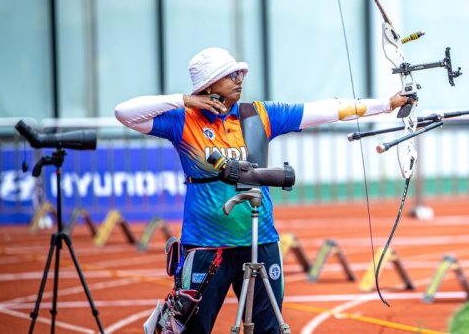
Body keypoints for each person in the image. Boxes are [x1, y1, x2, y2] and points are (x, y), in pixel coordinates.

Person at [114, 47, 408, 334]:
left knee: (267, 328)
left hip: (260, 239)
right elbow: (124, 113)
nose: (240, 79)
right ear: (208, 85)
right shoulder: (182, 120)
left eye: (239, 73)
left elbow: (327, 110)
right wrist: (186, 100)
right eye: (230, 75)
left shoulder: (258, 115)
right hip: (206, 244)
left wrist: (387, 104)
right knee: (192, 327)